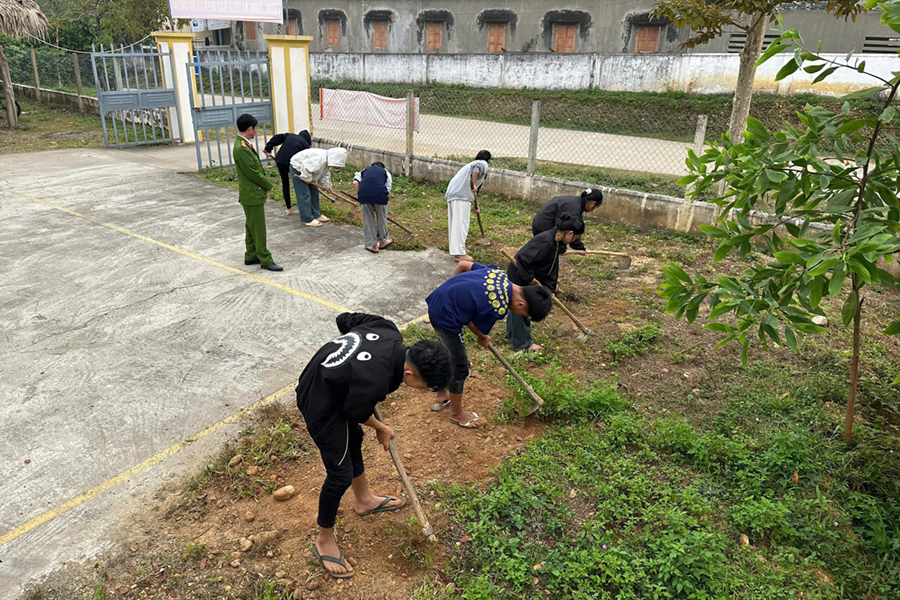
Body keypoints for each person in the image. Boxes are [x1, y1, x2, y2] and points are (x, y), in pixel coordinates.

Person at [296, 312, 452, 579]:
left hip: (336, 388)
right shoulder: (376, 379)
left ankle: (364, 500)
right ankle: (323, 539)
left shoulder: (387, 328)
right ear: (409, 373)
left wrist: (350, 365)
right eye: (424, 387)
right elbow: (353, 412)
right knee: (339, 473)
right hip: (320, 402)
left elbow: (344, 320)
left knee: (353, 439)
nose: (422, 391)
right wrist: (381, 427)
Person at [426, 262, 553, 427]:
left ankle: (442, 394)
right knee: (460, 366)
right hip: (444, 317)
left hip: (439, 299)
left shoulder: (498, 274)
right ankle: (456, 414)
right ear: (521, 304)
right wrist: (482, 337)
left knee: (449, 353)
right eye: (523, 314)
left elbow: (463, 265)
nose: (519, 314)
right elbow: (474, 326)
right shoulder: (498, 304)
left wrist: (451, 291)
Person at [507, 213, 585, 351]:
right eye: (576, 237)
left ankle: (513, 334)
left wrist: (550, 289)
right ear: (570, 233)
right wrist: (530, 278)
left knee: (516, 307)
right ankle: (523, 344)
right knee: (523, 306)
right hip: (520, 275)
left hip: (528, 275)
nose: (574, 241)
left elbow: (549, 268)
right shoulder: (546, 242)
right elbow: (523, 259)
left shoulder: (556, 243)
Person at [233, 113, 281, 272]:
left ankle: (251, 254)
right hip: (252, 194)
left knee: (251, 226)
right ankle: (265, 259)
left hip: (251, 193)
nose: (256, 131)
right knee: (258, 228)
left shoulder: (244, 145)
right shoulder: (241, 148)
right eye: (255, 128)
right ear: (250, 129)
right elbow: (253, 173)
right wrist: (268, 185)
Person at [445, 150, 491, 262]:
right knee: (461, 225)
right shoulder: (482, 163)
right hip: (462, 196)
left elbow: (474, 190)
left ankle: (457, 250)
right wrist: (474, 184)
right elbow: (477, 168)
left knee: (455, 224)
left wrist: (475, 206)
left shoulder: (468, 166)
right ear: (489, 161)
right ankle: (460, 254)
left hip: (453, 193)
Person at [289, 146, 348, 227]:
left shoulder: (326, 161)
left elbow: (325, 173)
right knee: (304, 194)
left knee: (314, 193)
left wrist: (327, 186)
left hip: (309, 171)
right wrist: (307, 178)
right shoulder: (319, 159)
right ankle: (308, 219)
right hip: (298, 169)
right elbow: (305, 167)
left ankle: (316, 214)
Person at [531, 188, 603, 254]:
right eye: (595, 207)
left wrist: (579, 248)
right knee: (548, 254)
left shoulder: (576, 203)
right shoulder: (573, 209)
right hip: (543, 228)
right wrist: (561, 249)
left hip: (540, 224)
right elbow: (565, 230)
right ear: (593, 204)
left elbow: (575, 229)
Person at [263, 129, 312, 216]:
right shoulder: (305, 145)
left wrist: (268, 148)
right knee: (300, 184)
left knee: (285, 183)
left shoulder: (290, 135)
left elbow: (276, 138)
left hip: (280, 161)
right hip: (292, 163)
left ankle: (289, 209)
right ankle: (305, 208)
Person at [353, 162, 393, 253]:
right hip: (381, 196)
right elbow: (387, 188)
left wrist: (361, 196)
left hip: (364, 196)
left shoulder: (364, 170)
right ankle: (383, 241)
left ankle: (373, 245)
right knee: (382, 218)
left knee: (368, 219)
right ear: (383, 167)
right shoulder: (386, 172)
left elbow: (355, 183)